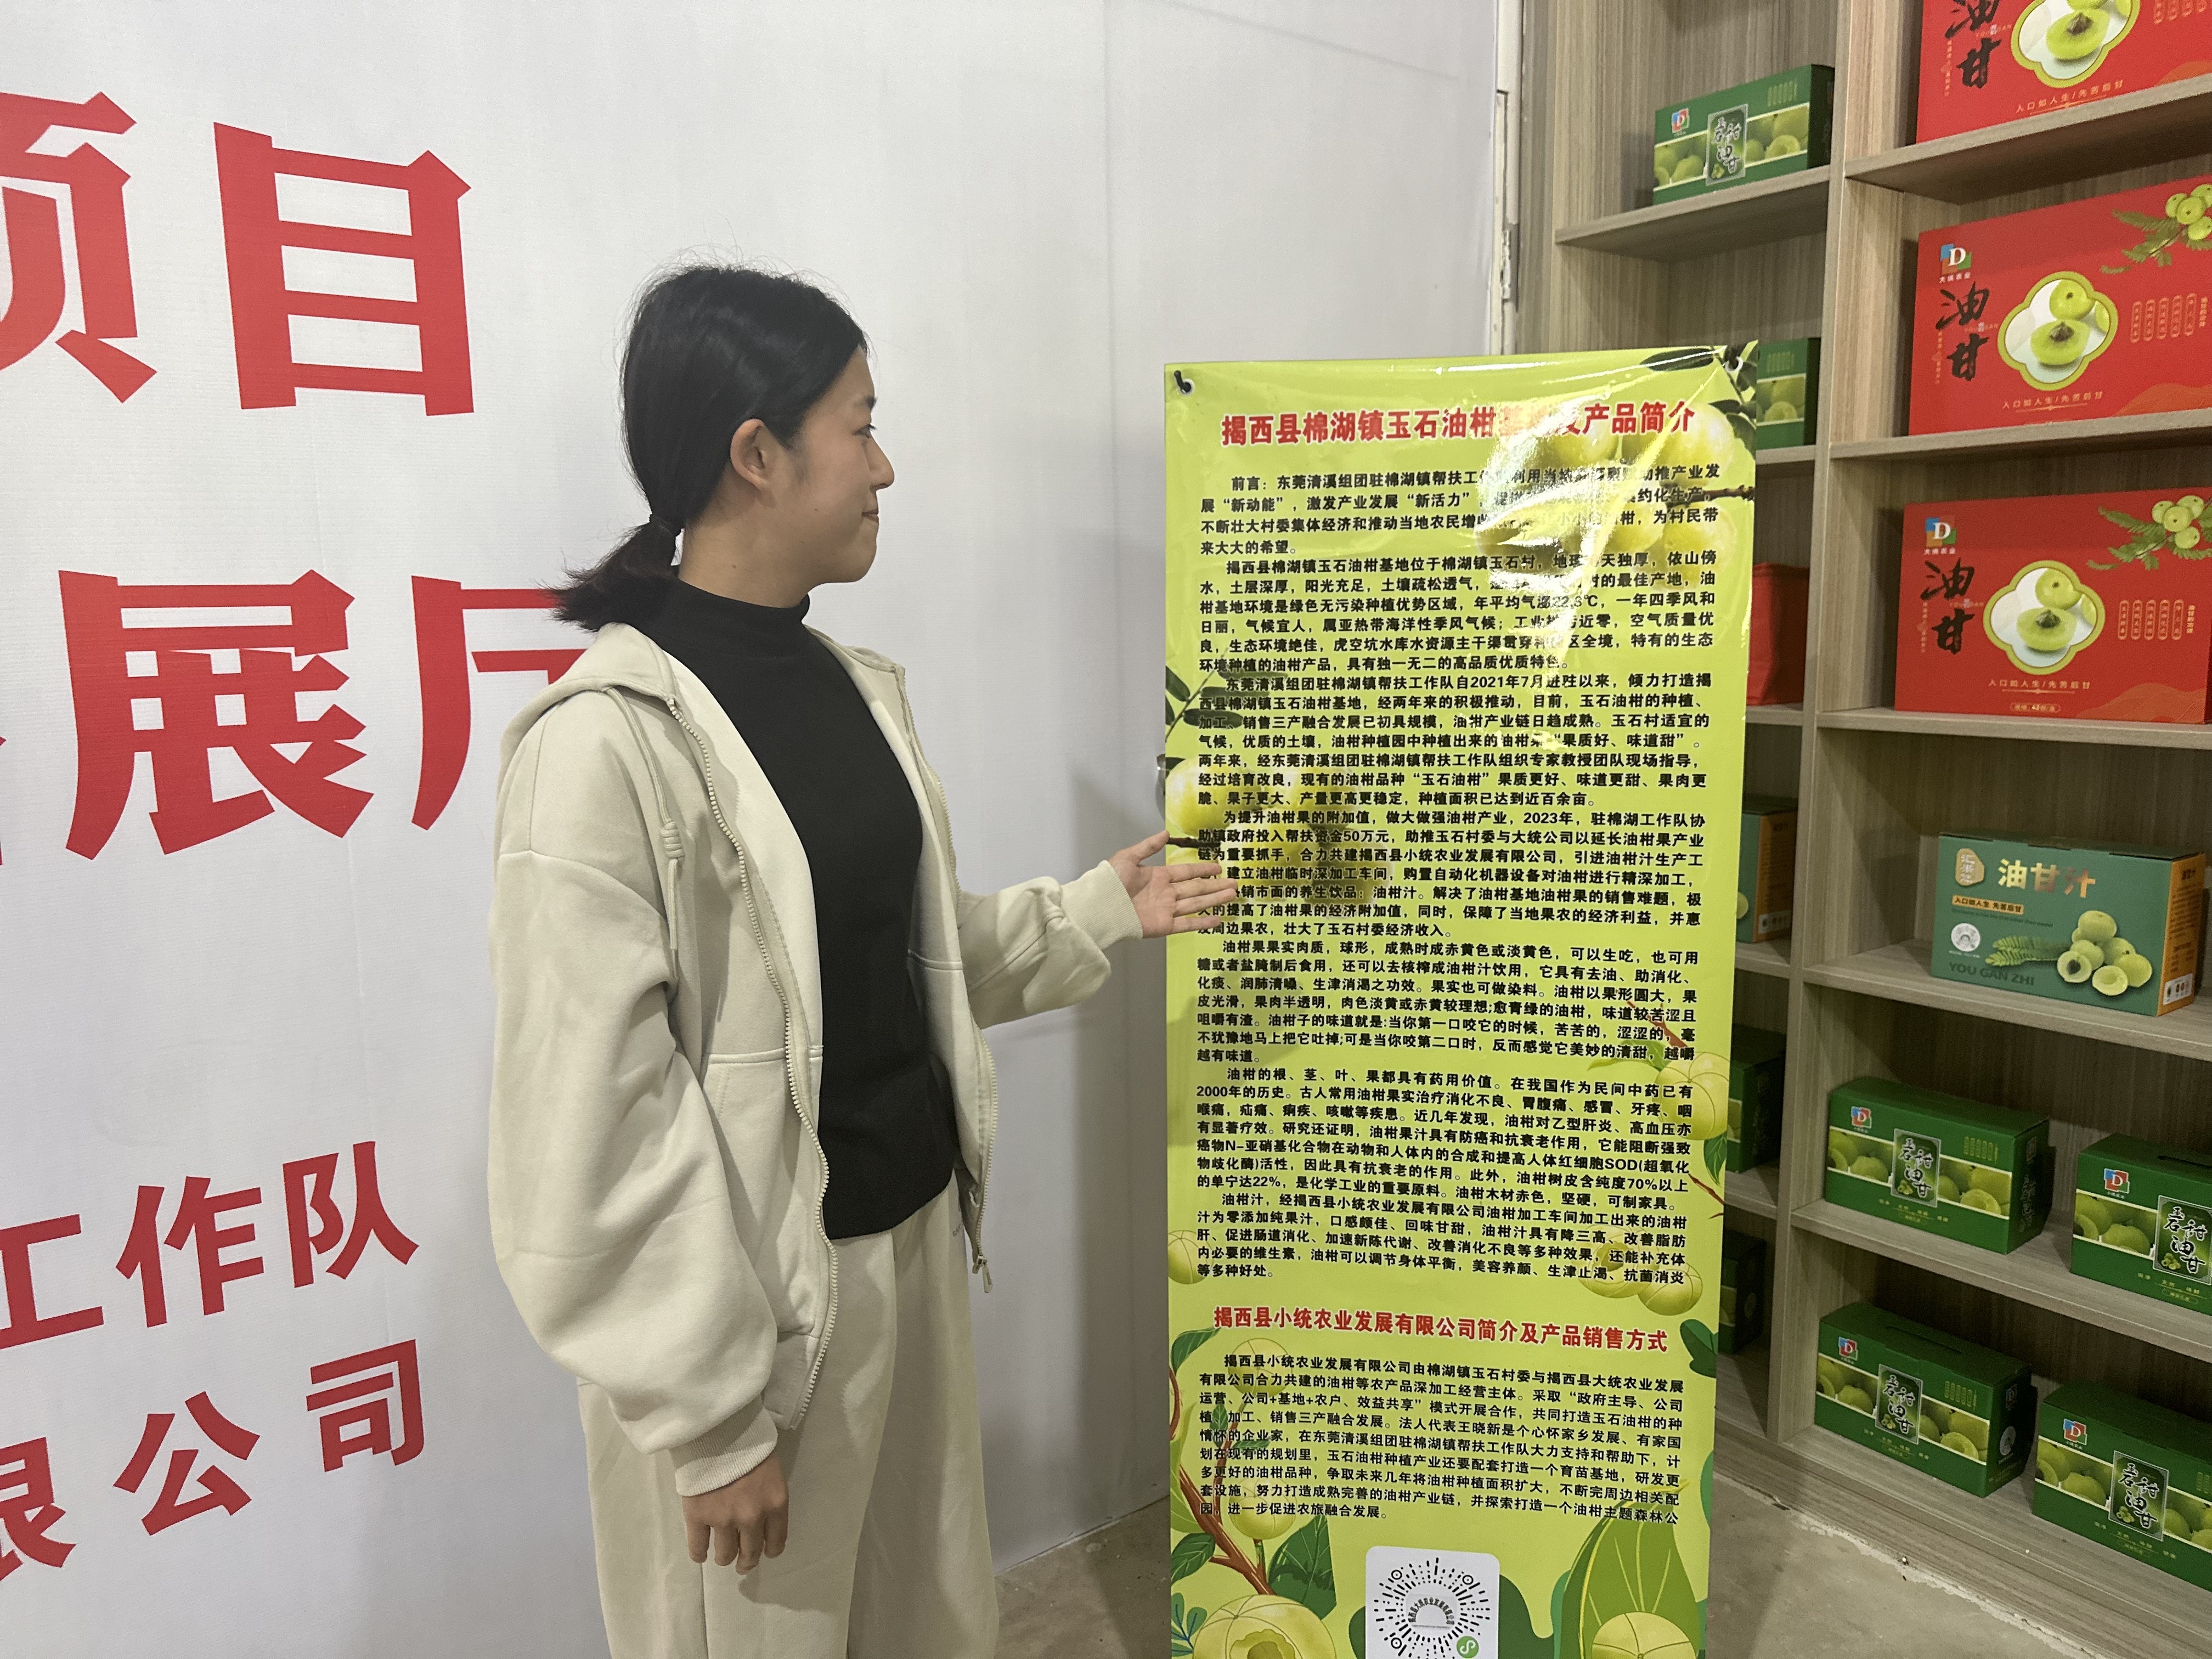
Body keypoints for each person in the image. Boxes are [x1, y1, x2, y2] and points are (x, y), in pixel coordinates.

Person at [485, 264, 1234, 1659]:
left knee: (927, 1619)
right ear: (756, 455)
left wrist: (1095, 912)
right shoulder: (603, 746)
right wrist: (710, 1419)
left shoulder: (846, 688)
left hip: (909, 1251)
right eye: (862, 425)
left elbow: (895, 967)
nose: (886, 466)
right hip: (759, 1323)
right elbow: (588, 1122)